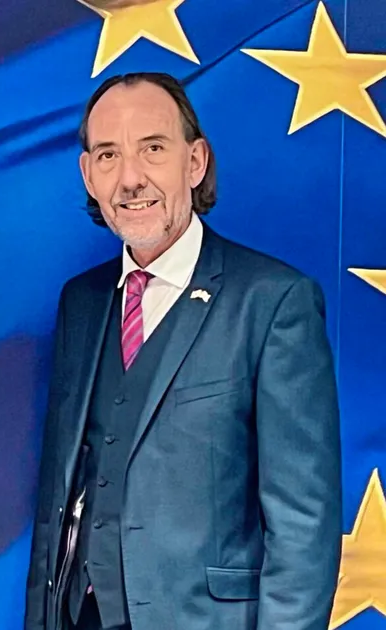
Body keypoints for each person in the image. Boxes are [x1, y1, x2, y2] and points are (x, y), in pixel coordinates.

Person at [24, 72, 342, 630]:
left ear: (194, 163)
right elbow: (59, 499)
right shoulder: (81, 302)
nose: (130, 178)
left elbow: (303, 526)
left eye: (152, 148)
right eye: (107, 155)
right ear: (88, 176)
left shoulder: (273, 302)